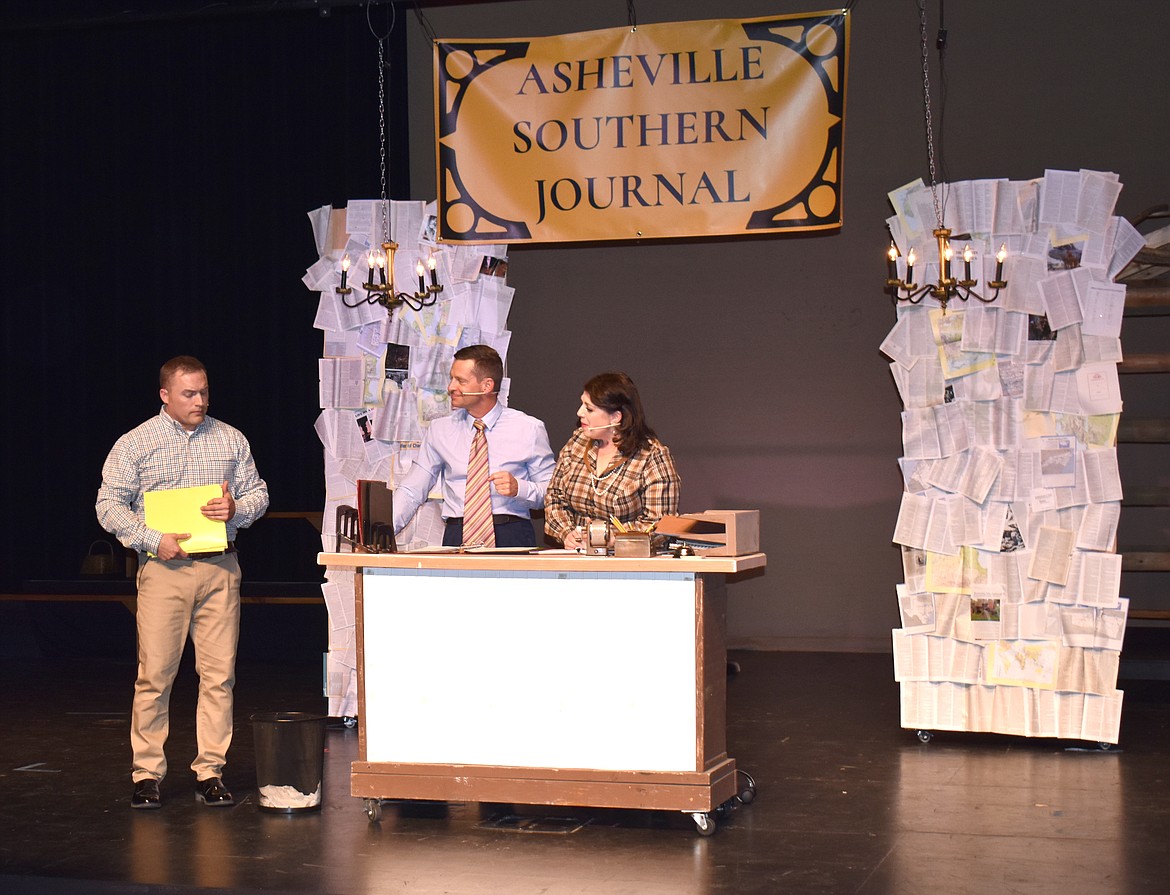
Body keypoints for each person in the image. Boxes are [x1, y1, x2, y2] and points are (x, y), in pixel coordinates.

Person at [96, 356, 269, 809]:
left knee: (219, 676)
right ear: (165, 395)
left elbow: (258, 493)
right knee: (154, 675)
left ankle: (210, 770)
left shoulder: (230, 438)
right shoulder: (137, 443)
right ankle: (147, 773)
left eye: (205, 391)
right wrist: (153, 538)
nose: (199, 401)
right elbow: (108, 504)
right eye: (189, 393)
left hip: (220, 568)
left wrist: (238, 510)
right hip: (164, 571)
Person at [392, 344, 555, 547]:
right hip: (457, 536)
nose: (451, 387)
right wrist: (380, 531)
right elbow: (412, 489)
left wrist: (519, 488)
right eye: (452, 378)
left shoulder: (529, 429)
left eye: (461, 381)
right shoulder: (439, 430)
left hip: (511, 535)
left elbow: (552, 493)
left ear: (486, 386)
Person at [545, 371, 680, 549]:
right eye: (582, 405)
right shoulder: (577, 443)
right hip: (578, 558)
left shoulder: (651, 456)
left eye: (589, 409)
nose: (580, 413)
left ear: (616, 417)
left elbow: (660, 524)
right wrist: (567, 533)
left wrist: (614, 539)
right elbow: (554, 497)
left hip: (630, 563)